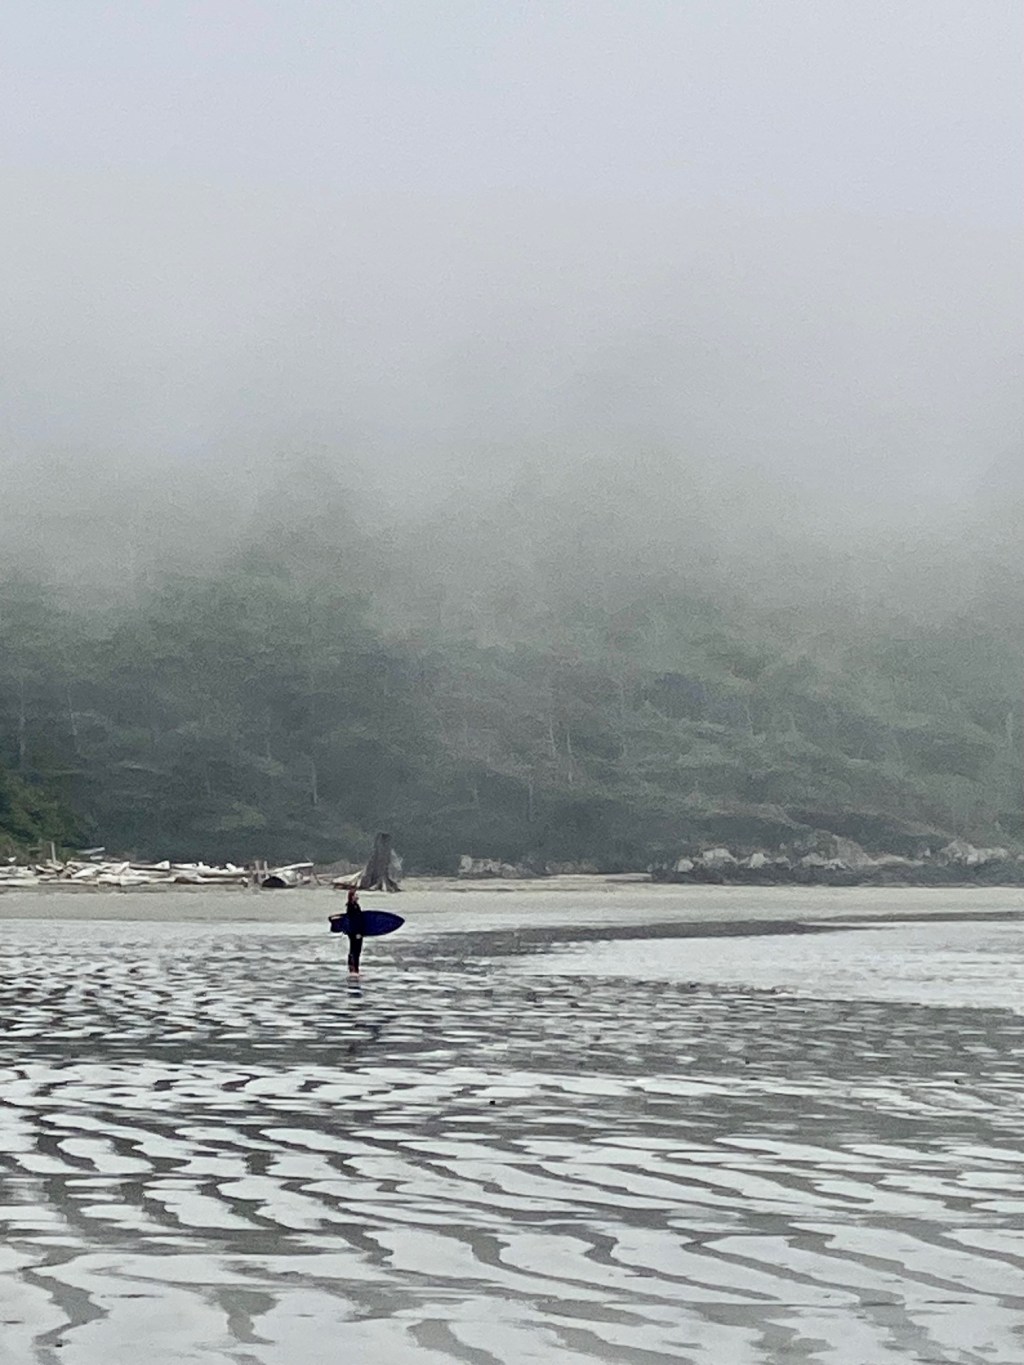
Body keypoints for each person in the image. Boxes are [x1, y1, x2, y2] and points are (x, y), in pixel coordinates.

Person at [345, 886, 365, 976]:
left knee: (357, 951)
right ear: (352, 896)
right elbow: (354, 921)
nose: (358, 896)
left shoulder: (356, 906)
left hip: (358, 932)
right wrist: (357, 932)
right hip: (354, 932)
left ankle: (355, 969)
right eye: (356, 894)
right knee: (354, 950)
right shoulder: (351, 907)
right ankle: (353, 969)